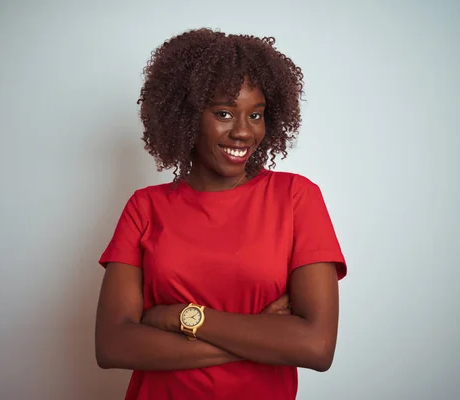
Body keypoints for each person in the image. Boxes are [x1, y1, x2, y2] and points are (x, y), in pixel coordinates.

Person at [94, 28, 347, 400]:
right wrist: (262, 335)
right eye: (224, 113)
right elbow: (113, 345)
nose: (243, 132)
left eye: (256, 115)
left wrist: (179, 317)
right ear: (186, 115)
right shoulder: (145, 207)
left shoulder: (296, 198)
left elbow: (315, 346)